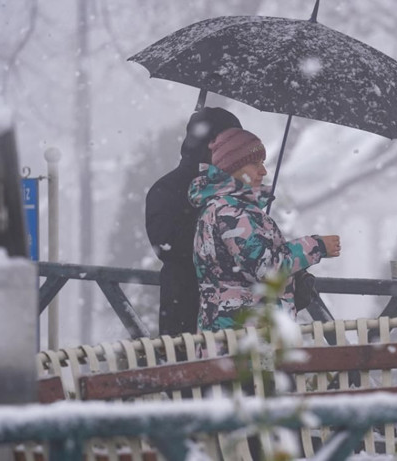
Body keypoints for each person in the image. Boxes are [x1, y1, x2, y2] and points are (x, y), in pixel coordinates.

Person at [188, 127, 341, 331]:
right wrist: (317, 246)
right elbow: (266, 269)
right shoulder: (230, 213)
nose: (263, 171)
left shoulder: (224, 207)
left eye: (262, 163)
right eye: (254, 163)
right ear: (232, 167)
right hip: (244, 338)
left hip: (234, 332)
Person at [145, 107, 242, 336]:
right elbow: (168, 247)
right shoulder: (167, 189)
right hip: (186, 307)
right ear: (211, 143)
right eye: (231, 140)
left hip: (233, 314)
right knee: (191, 368)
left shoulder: (236, 188)